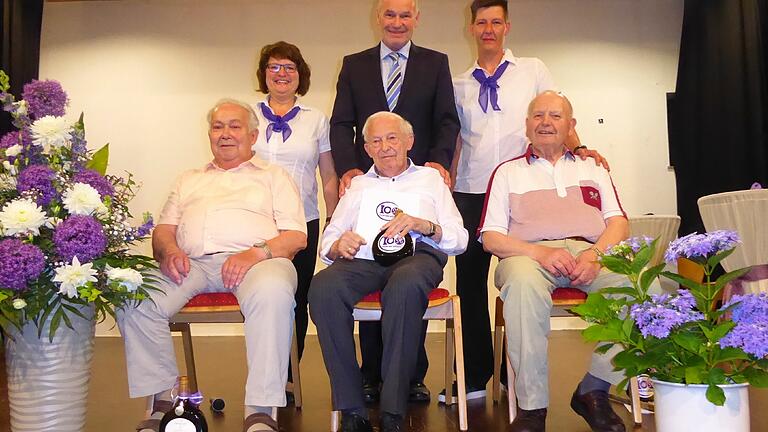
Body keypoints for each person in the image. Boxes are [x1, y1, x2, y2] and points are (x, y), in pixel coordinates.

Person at [448, 0, 606, 403]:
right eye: (481, 22)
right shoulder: (458, 83)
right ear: (471, 28)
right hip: (471, 189)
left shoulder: (532, 69)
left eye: (496, 21)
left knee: (520, 277)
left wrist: (582, 148)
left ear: (507, 26)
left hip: (523, 189)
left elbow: (555, 115)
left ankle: (510, 373)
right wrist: (443, 187)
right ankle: (474, 375)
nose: (488, 28)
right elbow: (455, 139)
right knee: (469, 284)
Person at [117, 100, 307, 432]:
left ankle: (261, 408)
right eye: (218, 127)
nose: (225, 134)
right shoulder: (188, 179)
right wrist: (169, 250)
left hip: (257, 263)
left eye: (234, 126)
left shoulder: (275, 177)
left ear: (252, 135)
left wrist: (256, 253)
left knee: (274, 292)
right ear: (209, 134)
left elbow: (296, 237)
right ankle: (162, 399)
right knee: (134, 293)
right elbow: (163, 230)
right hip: (192, 265)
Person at [480, 91, 640, 432]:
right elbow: (491, 237)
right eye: (538, 116)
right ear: (527, 125)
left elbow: (618, 223)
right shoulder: (507, 173)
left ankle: (594, 389)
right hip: (528, 255)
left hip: (589, 254)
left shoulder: (593, 168)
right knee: (522, 286)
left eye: (555, 116)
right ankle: (532, 408)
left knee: (644, 292)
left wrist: (595, 255)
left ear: (571, 125)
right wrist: (541, 253)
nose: (546, 123)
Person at [329, 0, 461, 403]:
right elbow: (340, 123)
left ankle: (410, 376)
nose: (398, 22)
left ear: (416, 20)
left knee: (408, 276)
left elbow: (447, 120)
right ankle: (371, 376)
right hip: (371, 179)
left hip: (415, 180)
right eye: (390, 14)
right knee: (370, 257)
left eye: (406, 15)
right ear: (378, 19)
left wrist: (437, 162)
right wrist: (350, 168)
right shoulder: (354, 64)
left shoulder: (435, 62)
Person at [310, 112, 468, 432]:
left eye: (392, 138)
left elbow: (460, 240)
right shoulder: (358, 186)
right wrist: (339, 244)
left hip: (417, 256)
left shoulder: (431, 179)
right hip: (364, 259)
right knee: (323, 287)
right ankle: (352, 410)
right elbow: (328, 241)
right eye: (376, 141)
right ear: (366, 149)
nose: (385, 147)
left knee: (405, 284)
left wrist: (426, 225)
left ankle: (393, 411)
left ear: (409, 141)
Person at [252, 41, 339, 397]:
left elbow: (329, 174)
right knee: (260, 293)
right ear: (264, 74)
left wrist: (334, 218)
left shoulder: (315, 119)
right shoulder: (248, 115)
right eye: (274, 67)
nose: (282, 74)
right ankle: (261, 370)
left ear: (300, 74)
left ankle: (288, 375)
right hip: (255, 222)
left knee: (296, 296)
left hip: (302, 222)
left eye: (289, 67)